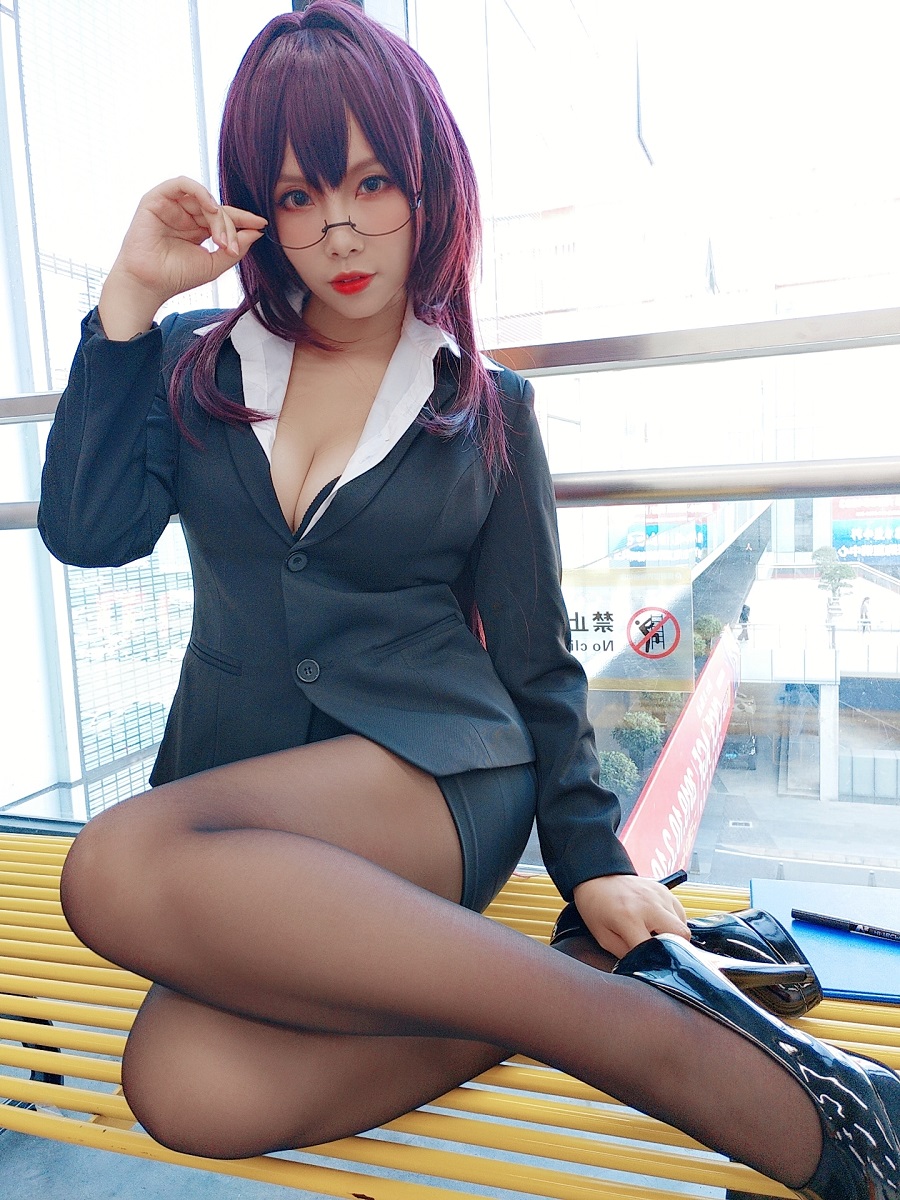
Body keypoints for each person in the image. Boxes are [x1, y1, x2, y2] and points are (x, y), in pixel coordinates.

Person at [38, 4, 897, 1194]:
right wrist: (127, 303)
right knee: (183, 1086)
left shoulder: (484, 407)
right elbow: (89, 533)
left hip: (436, 775)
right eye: (296, 196)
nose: (340, 229)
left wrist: (591, 859)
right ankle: (579, 988)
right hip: (245, 805)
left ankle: (711, 1067)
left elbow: (538, 657)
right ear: (258, 214)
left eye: (371, 182)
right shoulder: (192, 365)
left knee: (108, 865)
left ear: (429, 184)